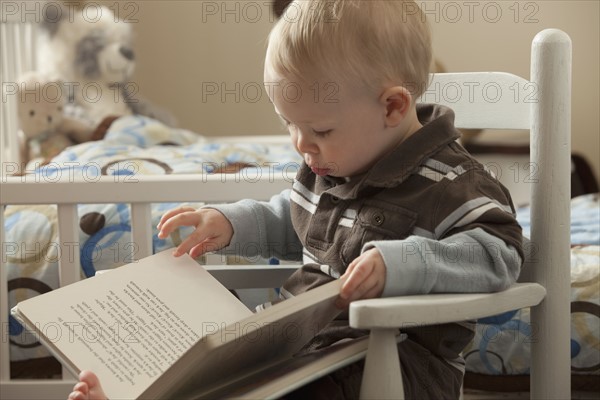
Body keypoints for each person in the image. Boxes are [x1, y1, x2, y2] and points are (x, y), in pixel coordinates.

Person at [69, 1, 524, 399]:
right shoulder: (332, 165)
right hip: (302, 349)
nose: (302, 146)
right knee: (216, 373)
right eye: (289, 124)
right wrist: (230, 224)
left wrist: (402, 264)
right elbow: (292, 219)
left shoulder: (453, 183)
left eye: (321, 130)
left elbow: (499, 256)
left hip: (391, 360)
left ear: (392, 108)